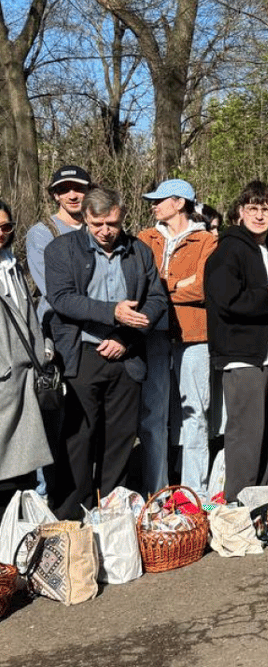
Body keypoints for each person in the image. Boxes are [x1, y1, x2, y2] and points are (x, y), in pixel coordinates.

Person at [44, 187, 167, 519]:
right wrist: (112, 312)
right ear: (85, 218)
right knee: (79, 440)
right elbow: (62, 298)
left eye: (112, 223)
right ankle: (72, 516)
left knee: (119, 441)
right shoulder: (61, 250)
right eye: (97, 223)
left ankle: (112, 515)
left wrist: (127, 336)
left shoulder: (139, 251)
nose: (105, 231)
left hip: (126, 356)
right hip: (82, 355)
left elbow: (157, 299)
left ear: (122, 216)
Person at [204, 182, 268, 503]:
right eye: (253, 209)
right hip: (244, 358)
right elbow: (230, 302)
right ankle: (237, 508)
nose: (260, 215)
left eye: (266, 209)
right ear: (241, 212)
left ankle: (265, 504)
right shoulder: (228, 250)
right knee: (246, 437)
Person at [136, 179, 218, 495]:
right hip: (154, 334)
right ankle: (155, 491)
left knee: (196, 414)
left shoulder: (206, 241)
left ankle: (193, 492)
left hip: (195, 336)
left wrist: (163, 287)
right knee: (153, 416)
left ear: (179, 203)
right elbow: (140, 286)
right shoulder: (145, 239)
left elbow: (204, 287)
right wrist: (178, 285)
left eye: (160, 200)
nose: (154, 205)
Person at [0, 199, 54, 514]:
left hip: (24, 378)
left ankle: (14, 542)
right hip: (5, 378)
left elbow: (27, 314)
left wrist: (43, 348)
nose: (2, 233)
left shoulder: (12, 264)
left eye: (6, 227)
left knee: (20, 470)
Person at [25, 164, 91, 327]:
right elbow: (52, 288)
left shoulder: (99, 229)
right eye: (64, 190)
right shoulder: (42, 233)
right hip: (59, 325)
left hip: (99, 325)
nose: (72, 196)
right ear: (56, 196)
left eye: (78, 188)